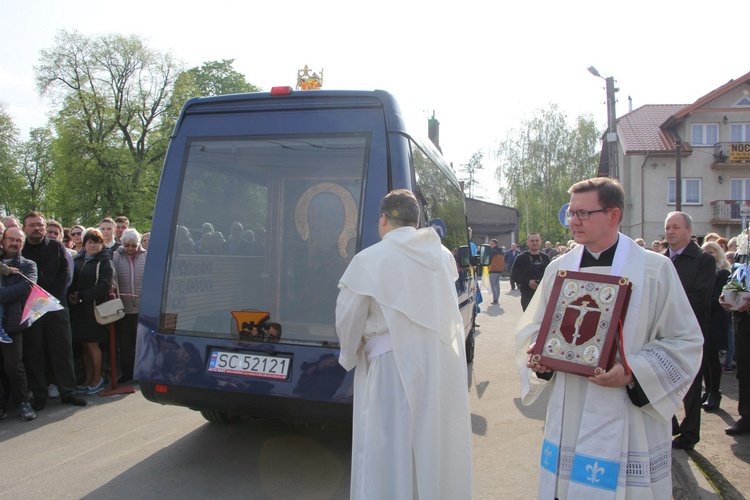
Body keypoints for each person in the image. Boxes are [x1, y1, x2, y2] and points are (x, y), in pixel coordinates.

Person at [516, 177, 703, 498]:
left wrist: (632, 371)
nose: (573, 221)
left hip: (627, 412)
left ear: (613, 215)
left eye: (583, 213)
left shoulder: (653, 270)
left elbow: (685, 342)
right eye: (571, 213)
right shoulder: (559, 269)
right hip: (570, 404)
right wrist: (541, 359)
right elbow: (534, 328)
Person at [335, 189, 473, 499]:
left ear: (383, 219)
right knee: (430, 444)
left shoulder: (369, 259)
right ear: (416, 220)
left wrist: (349, 354)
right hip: (438, 364)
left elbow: (348, 316)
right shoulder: (442, 255)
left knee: (388, 446)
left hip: (390, 366)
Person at [21, 212, 86, 410]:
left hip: (57, 306)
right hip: (32, 309)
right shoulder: (21, 251)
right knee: (35, 353)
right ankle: (39, 394)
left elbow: (66, 274)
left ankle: (68, 392)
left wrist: (50, 299)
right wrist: (38, 302)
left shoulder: (57, 246)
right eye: (32, 225)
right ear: (25, 228)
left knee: (62, 350)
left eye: (39, 225)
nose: (37, 228)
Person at [664, 211, 715, 451]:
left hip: (690, 331)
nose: (670, 232)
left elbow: (701, 296)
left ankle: (690, 433)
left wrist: (667, 309)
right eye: (667, 228)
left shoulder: (703, 259)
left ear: (689, 231)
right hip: (663, 332)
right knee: (662, 379)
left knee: (692, 383)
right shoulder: (662, 259)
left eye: (675, 227)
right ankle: (670, 423)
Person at [68, 229, 114, 394]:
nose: (92, 245)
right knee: (84, 345)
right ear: (84, 244)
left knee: (92, 344)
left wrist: (81, 296)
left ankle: (97, 379)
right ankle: (87, 379)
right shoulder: (77, 260)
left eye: (96, 242)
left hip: (94, 309)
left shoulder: (104, 261)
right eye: (89, 242)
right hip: (78, 311)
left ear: (102, 244)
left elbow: (104, 285)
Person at [0, 227, 38, 421]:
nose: (14, 243)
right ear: (3, 240)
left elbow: (25, 287)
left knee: (14, 367)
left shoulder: (28, 265)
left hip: (13, 324)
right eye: (11, 239)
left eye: (18, 240)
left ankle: (23, 403)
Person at [700, 241, 731, 412]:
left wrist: (699, 304)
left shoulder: (723, 273)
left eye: (711, 252)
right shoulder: (704, 272)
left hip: (715, 320)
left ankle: (715, 393)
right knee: (704, 359)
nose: (708, 255)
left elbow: (719, 299)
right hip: (703, 318)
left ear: (718, 253)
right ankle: (708, 391)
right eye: (705, 252)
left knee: (712, 358)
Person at [112, 228, 146, 382]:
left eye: (133, 245)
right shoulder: (116, 256)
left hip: (142, 308)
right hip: (123, 308)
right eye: (127, 245)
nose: (130, 249)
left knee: (141, 343)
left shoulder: (146, 256)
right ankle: (127, 373)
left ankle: (142, 372)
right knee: (125, 344)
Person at [510, 232, 550, 311]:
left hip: (543, 294)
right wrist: (528, 282)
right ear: (527, 242)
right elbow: (513, 276)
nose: (534, 243)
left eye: (536, 240)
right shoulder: (521, 258)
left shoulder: (545, 257)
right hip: (527, 294)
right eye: (532, 241)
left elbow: (551, 275)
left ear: (540, 242)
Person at [488, 238, 504, 304]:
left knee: (493, 285)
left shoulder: (492, 251)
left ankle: (495, 299)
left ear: (495, 244)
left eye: (491, 243)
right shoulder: (501, 252)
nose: (490, 245)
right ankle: (497, 298)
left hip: (493, 269)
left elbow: (489, 260)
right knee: (497, 284)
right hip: (499, 270)